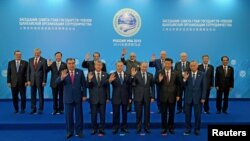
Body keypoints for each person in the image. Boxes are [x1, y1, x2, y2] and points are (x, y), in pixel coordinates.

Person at [56, 58, 87, 139]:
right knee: (68, 116)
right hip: (68, 97)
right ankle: (69, 132)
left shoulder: (80, 72)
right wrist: (62, 77)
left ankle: (79, 132)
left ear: (75, 64)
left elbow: (84, 85)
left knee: (79, 116)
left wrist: (84, 95)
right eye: (69, 63)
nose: (71, 65)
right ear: (67, 64)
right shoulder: (64, 72)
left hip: (78, 97)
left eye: (73, 63)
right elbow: (57, 82)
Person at [155, 58, 180, 135]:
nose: (167, 65)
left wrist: (178, 95)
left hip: (173, 96)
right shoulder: (160, 72)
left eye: (169, 63)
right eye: (166, 63)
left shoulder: (176, 73)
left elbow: (178, 85)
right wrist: (159, 80)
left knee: (172, 113)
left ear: (171, 64)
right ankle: (164, 128)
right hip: (163, 96)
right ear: (164, 64)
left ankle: (171, 127)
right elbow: (156, 83)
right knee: (164, 113)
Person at [182, 61, 207, 136]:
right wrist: (184, 79)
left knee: (197, 115)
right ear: (189, 66)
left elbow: (204, 87)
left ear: (197, 66)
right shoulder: (186, 74)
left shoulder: (202, 74)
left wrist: (203, 97)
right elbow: (182, 86)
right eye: (191, 66)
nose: (193, 67)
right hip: (188, 97)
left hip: (198, 98)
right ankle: (188, 128)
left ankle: (197, 129)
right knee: (187, 115)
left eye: (194, 65)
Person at [131, 62, 155, 134]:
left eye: (145, 67)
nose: (144, 68)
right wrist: (132, 77)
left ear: (147, 67)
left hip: (147, 97)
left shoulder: (150, 75)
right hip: (138, 97)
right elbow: (132, 84)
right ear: (140, 67)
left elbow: (152, 86)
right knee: (138, 113)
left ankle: (147, 127)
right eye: (143, 67)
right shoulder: (136, 74)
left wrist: (153, 96)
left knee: (147, 113)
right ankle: (138, 127)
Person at [87, 61, 110, 136]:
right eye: (97, 65)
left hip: (103, 98)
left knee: (102, 115)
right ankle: (94, 128)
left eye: (100, 65)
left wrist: (108, 97)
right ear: (94, 66)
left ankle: (101, 129)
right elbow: (88, 86)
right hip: (93, 98)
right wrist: (89, 80)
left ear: (102, 66)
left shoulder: (106, 74)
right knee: (93, 115)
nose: (98, 66)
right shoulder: (90, 74)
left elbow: (107, 87)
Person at [109, 61, 132, 134]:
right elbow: (106, 84)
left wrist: (130, 97)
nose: (120, 67)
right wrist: (109, 80)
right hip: (116, 97)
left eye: (121, 66)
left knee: (125, 113)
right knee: (116, 114)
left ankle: (124, 127)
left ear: (123, 66)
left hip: (125, 97)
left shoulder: (127, 75)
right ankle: (115, 128)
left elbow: (130, 87)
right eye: (118, 66)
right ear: (116, 66)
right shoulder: (112, 75)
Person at [27, 48, 47, 114]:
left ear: (40, 53)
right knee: (33, 95)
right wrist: (28, 80)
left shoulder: (44, 60)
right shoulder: (30, 60)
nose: (36, 54)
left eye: (38, 52)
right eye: (35, 52)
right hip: (32, 81)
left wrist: (44, 81)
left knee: (41, 96)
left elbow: (44, 72)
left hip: (40, 81)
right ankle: (33, 109)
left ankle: (40, 109)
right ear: (34, 53)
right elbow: (28, 71)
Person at [121, 48, 140, 112]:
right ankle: (129, 107)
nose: (132, 57)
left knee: (136, 95)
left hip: (136, 81)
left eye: (133, 56)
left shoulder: (139, 63)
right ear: (129, 57)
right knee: (129, 94)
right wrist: (123, 54)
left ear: (135, 56)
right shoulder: (127, 62)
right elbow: (122, 61)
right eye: (131, 56)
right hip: (128, 80)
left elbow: (140, 72)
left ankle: (136, 108)